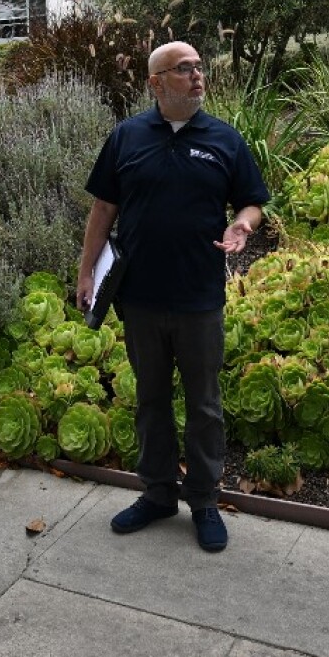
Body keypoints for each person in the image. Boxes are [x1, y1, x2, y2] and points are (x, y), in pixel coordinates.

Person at [77, 40, 268, 552]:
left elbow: (253, 202)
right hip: (139, 298)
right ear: (156, 82)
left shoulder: (224, 139)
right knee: (151, 401)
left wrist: (243, 225)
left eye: (200, 68)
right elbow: (103, 210)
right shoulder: (127, 137)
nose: (198, 76)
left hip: (199, 298)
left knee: (205, 405)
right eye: (185, 70)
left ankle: (204, 501)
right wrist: (86, 272)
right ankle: (158, 493)